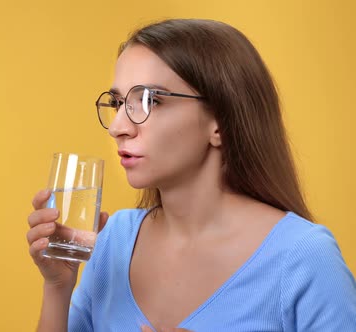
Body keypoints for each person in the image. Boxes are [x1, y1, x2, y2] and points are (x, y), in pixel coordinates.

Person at [25, 18, 356, 331]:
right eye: (117, 102)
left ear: (221, 123)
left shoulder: (304, 257)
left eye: (149, 100)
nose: (118, 128)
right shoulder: (113, 241)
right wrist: (58, 286)